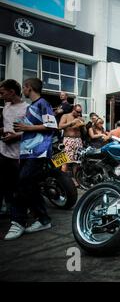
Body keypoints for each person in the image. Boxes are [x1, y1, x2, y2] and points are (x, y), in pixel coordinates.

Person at [5, 78, 58, 240]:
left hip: (38, 151)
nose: (23, 91)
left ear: (29, 88)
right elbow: (31, 130)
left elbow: (52, 126)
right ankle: (43, 219)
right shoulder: (31, 107)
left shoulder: (43, 103)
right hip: (27, 151)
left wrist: (27, 128)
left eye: (24, 87)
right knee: (29, 185)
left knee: (22, 183)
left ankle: (18, 221)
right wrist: (18, 134)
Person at [0, 79, 28, 217]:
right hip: (4, 151)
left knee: (20, 184)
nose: (1, 96)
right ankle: (8, 207)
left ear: (12, 92)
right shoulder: (6, 107)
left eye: (2, 93)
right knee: (5, 182)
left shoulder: (27, 108)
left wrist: (15, 136)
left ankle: (22, 211)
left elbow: (32, 131)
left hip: (20, 154)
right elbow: (7, 125)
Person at [58, 104, 85, 173]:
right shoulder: (65, 116)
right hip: (68, 140)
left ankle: (75, 180)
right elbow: (60, 126)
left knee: (76, 162)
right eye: (77, 112)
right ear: (73, 109)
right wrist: (71, 123)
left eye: (80, 112)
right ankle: (62, 180)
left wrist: (83, 125)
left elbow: (84, 132)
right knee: (65, 162)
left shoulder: (80, 118)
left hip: (78, 141)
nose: (79, 114)